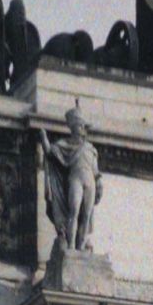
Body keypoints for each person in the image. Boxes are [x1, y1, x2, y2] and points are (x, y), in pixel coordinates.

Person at [39, 106, 102, 251]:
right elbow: (50, 153)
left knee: (86, 215)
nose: (82, 128)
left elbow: (96, 171)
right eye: (79, 126)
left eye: (83, 126)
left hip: (90, 182)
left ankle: (80, 246)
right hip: (75, 179)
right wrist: (44, 138)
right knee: (73, 211)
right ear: (73, 128)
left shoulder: (91, 148)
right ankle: (71, 246)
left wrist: (99, 184)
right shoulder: (65, 145)